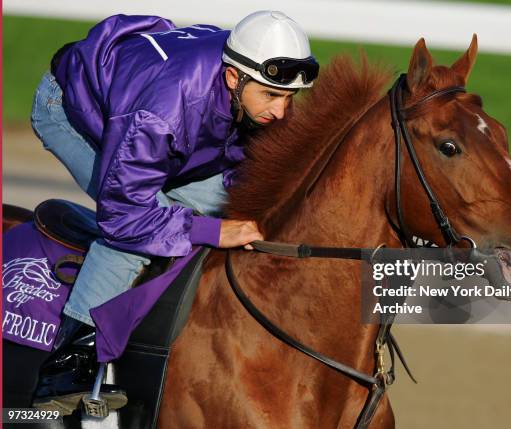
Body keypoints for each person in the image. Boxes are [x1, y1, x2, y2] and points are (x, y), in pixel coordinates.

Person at [22, 10, 319, 412]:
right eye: (271, 96)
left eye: (288, 98)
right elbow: (125, 214)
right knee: (137, 236)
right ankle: (68, 366)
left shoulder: (253, 81)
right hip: (75, 112)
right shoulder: (163, 110)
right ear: (234, 78)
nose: (282, 112)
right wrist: (213, 232)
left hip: (165, 116)